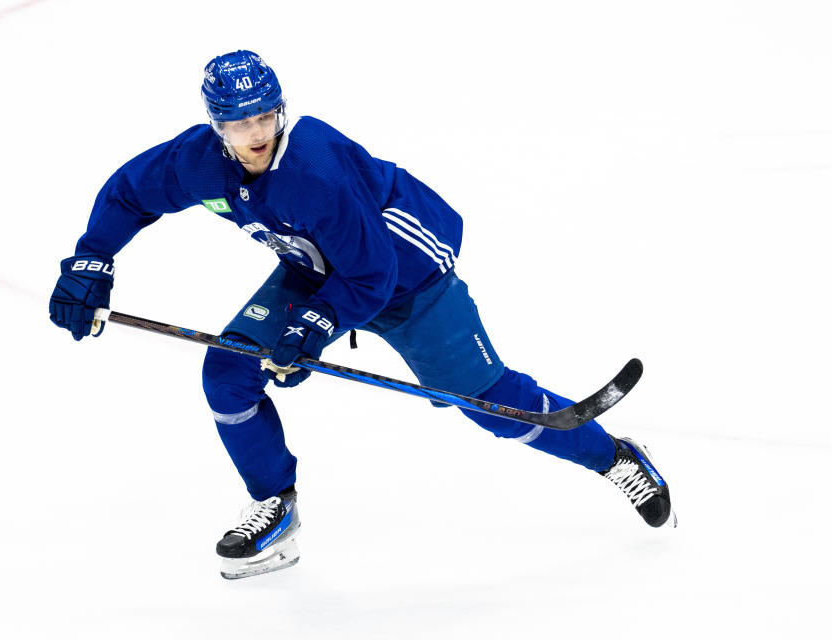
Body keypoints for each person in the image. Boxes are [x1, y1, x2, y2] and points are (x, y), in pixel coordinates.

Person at [49, 50, 676, 580]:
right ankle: (276, 509)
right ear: (216, 127)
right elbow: (130, 191)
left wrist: (314, 329)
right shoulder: (196, 162)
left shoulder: (313, 172)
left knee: (489, 404)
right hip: (316, 265)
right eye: (240, 124)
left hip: (405, 275)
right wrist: (90, 260)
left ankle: (616, 458)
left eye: (266, 116)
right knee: (228, 374)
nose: (257, 132)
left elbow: (372, 273)